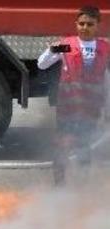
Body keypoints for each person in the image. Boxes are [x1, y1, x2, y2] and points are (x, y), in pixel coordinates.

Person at [37, 5, 109, 185]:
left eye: (89, 24)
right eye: (82, 23)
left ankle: (82, 185)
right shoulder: (67, 45)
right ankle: (59, 184)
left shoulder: (105, 48)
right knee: (62, 145)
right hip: (68, 107)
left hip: (92, 107)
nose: (85, 27)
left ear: (97, 25)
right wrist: (52, 50)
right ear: (76, 24)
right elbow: (41, 64)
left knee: (85, 145)